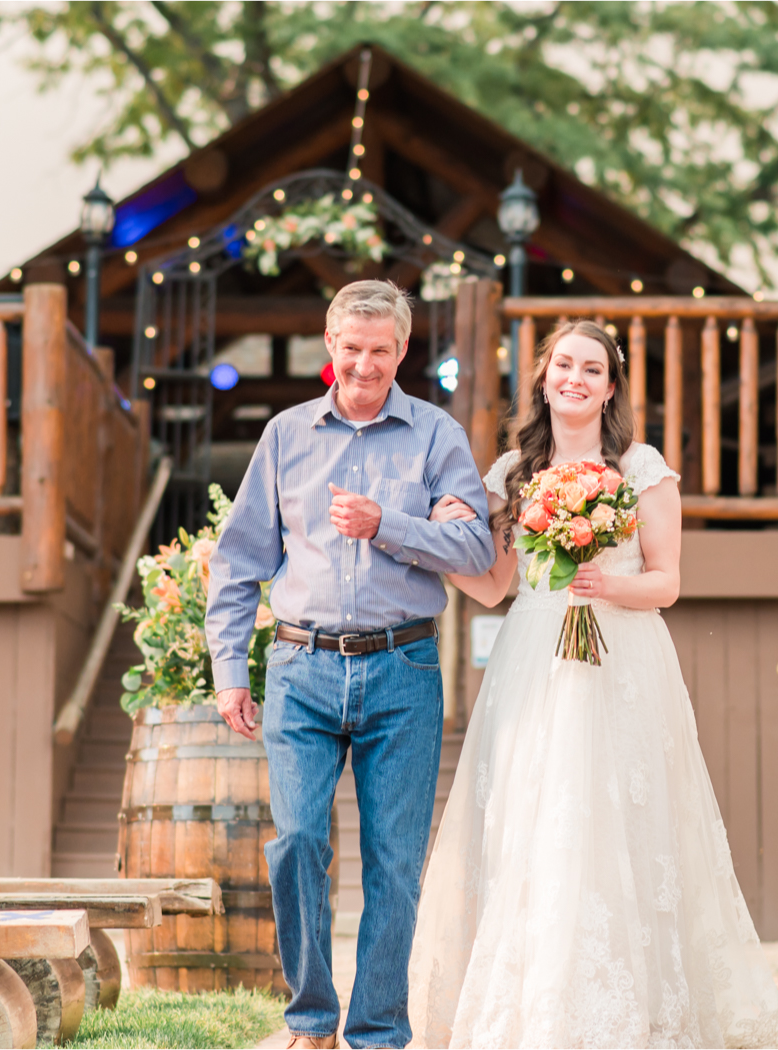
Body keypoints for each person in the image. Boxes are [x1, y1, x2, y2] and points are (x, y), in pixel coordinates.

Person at [408, 320, 778, 1049]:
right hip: (533, 655)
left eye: (592, 369)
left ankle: (633, 1010)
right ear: (544, 377)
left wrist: (604, 585)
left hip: (620, 654)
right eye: (564, 365)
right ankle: (536, 1008)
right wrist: (427, 550)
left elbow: (667, 583)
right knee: (534, 815)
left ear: (610, 386)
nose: (576, 378)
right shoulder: (509, 473)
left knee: (615, 818)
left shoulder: (640, 466)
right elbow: (493, 587)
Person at [206, 280, 495, 1050]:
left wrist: (389, 525)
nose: (364, 364)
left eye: (380, 350)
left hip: (403, 670)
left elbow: (476, 548)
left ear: (402, 352)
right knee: (297, 843)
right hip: (301, 667)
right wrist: (230, 668)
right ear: (330, 348)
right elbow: (237, 564)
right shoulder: (286, 436)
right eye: (351, 348)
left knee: (394, 865)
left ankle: (375, 1031)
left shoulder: (437, 436)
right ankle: (310, 1018)